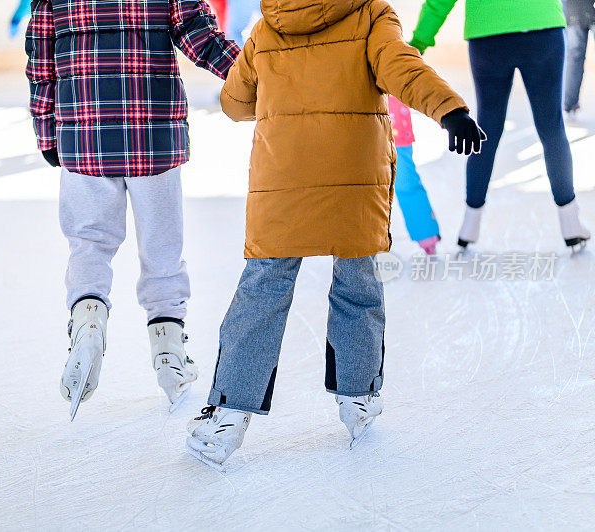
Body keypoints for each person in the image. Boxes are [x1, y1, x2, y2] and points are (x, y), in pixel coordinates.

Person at [185, 0, 484, 467]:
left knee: (263, 290)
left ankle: (227, 413)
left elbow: (236, 103)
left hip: (282, 176)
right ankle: (358, 397)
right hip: (355, 174)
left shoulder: (268, 26)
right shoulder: (371, 15)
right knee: (358, 284)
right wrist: (450, 110)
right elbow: (403, 68)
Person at [25, 0, 240, 421]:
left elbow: (41, 61)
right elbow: (199, 35)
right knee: (162, 252)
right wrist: (253, 72)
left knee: (88, 244)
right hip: (152, 134)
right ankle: (168, 351)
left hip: (84, 132)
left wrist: (47, 132)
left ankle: (88, 321)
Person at [410, 0, 591, 251]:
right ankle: (571, 223)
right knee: (552, 128)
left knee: (487, 128)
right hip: (542, 26)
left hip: (488, 34)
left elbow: (439, 2)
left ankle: (469, 225)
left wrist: (419, 42)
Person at [389, 96, 442, 255]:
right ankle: (363, 244)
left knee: (405, 182)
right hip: (359, 123)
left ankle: (426, 234)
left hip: (394, 124)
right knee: (362, 188)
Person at [563, 0, 595, 116]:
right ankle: (570, 102)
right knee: (574, 57)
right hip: (576, 8)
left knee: (574, 57)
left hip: (575, 8)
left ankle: (569, 103)